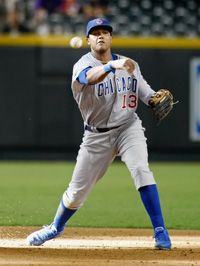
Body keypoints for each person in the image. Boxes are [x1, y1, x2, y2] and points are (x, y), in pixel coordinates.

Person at [27, 17, 171, 250]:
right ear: (88, 40)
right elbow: (89, 78)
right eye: (95, 33)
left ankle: (160, 231)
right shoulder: (81, 65)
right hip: (96, 136)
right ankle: (55, 227)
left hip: (128, 127)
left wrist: (154, 100)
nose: (101, 35)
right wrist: (109, 66)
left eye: (105, 31)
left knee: (141, 170)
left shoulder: (129, 64)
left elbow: (147, 94)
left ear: (111, 37)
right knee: (75, 195)